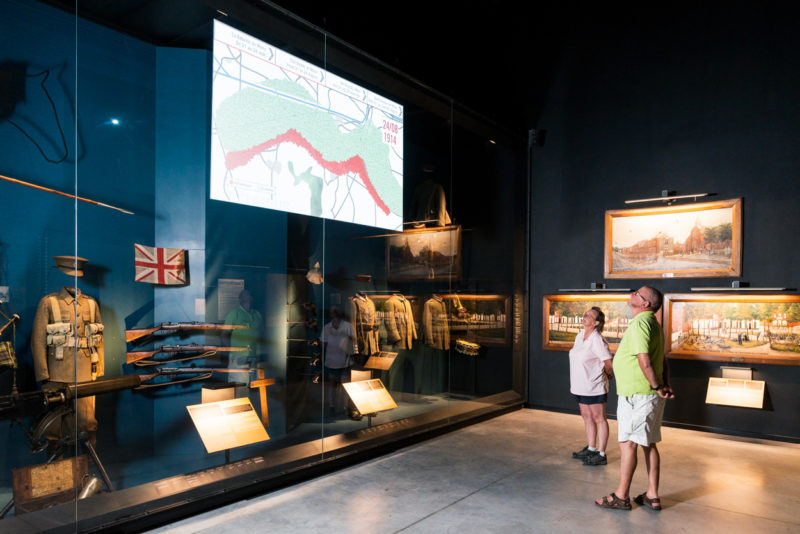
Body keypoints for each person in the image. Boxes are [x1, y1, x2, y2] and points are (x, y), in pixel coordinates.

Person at [596, 286, 675, 511]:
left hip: (637, 395)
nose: (632, 295)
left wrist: (657, 385)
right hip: (646, 394)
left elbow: (645, 360)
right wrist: (663, 384)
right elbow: (662, 360)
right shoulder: (653, 324)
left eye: (637, 294)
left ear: (645, 303)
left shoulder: (641, 323)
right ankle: (652, 495)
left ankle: (621, 496)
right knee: (649, 444)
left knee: (628, 444)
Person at [569, 307, 613, 466]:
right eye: (585, 314)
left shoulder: (597, 340)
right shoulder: (579, 336)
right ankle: (591, 448)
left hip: (594, 386)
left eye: (589, 315)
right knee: (587, 417)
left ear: (596, 323)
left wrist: (607, 376)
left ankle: (601, 454)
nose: (585, 316)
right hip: (580, 385)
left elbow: (608, 363)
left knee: (599, 419)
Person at [322, 306, 354, 418]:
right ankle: (332, 407)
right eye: (333, 312)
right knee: (332, 386)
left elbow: (352, 341)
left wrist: (348, 353)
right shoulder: (327, 327)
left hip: (344, 362)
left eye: (337, 311)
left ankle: (345, 407)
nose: (335, 314)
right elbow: (324, 343)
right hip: (332, 362)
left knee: (346, 386)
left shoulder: (348, 326)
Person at [224, 289, 263, 378]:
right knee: (239, 381)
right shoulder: (234, 314)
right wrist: (231, 352)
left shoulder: (257, 315)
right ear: (240, 299)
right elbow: (224, 334)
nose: (247, 297)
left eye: (249, 295)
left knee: (253, 381)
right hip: (238, 356)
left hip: (254, 355)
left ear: (252, 298)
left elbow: (261, 334)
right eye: (244, 295)